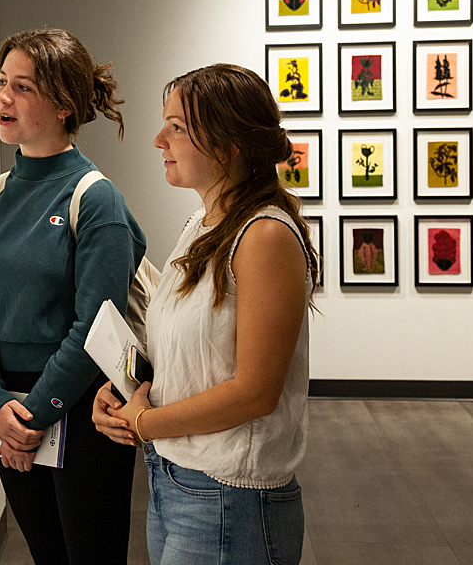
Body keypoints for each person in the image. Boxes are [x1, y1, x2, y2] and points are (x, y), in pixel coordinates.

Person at [93, 63, 319, 565]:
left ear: (228, 143)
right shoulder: (203, 223)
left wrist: (147, 422)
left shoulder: (264, 237)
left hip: (230, 497)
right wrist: (119, 395)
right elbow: (180, 352)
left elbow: (255, 392)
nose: (158, 140)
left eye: (176, 127)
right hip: (176, 478)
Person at [0, 28, 147, 565]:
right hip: (12, 410)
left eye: (23, 87)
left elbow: (94, 326)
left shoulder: (95, 199)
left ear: (64, 105)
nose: (3, 97)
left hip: (83, 412)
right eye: (0, 83)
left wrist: (35, 415)